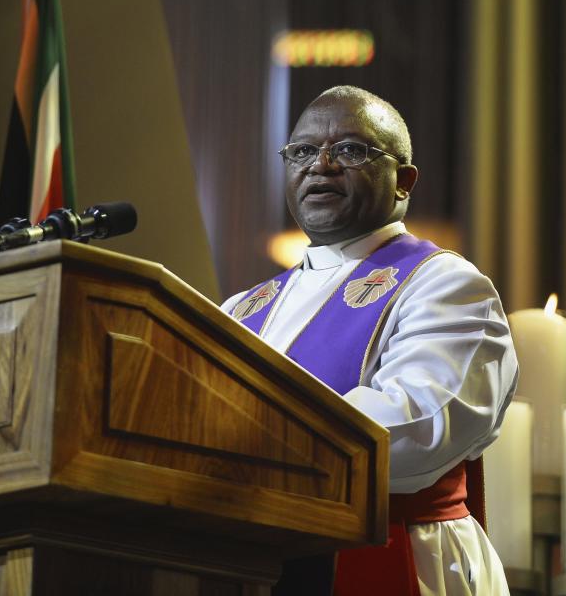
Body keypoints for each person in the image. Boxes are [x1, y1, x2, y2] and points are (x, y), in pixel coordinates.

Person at [222, 86, 518, 596]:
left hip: (398, 558)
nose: (322, 165)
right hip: (258, 565)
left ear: (403, 182)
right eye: (302, 152)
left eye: (351, 150)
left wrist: (244, 444)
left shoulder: (445, 284)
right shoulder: (241, 308)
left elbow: (420, 424)